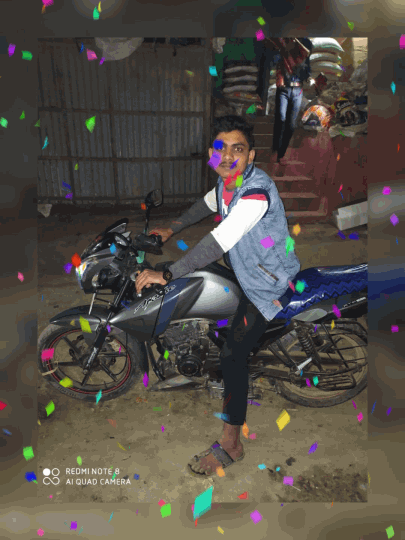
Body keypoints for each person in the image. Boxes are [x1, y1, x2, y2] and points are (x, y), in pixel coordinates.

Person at [135, 115, 301, 477]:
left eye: (237, 149)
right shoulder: (227, 183)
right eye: (220, 148)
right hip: (245, 267)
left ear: (251, 155)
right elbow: (206, 205)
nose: (227, 156)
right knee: (201, 287)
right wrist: (172, 228)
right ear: (212, 155)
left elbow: (217, 242)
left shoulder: (255, 192)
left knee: (232, 356)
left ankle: (231, 444)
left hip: (267, 283)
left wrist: (167, 273)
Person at [266, 38, 316, 165]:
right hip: (283, 89)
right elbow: (273, 61)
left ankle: (281, 154)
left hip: (297, 90)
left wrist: (307, 75)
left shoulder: (304, 52)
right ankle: (275, 149)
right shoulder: (283, 49)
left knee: (291, 125)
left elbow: (307, 72)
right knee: (281, 118)